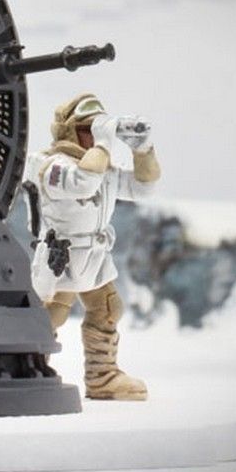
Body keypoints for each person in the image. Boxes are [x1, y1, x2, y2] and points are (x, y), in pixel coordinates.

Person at [26, 93, 161, 400]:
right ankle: (30, 368)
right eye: (85, 130)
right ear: (69, 132)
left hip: (94, 253)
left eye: (96, 129)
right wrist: (103, 142)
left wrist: (142, 149)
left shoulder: (102, 168)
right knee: (51, 316)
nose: (92, 136)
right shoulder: (53, 165)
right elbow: (83, 182)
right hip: (62, 256)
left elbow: (144, 187)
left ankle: (102, 376)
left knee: (108, 308)